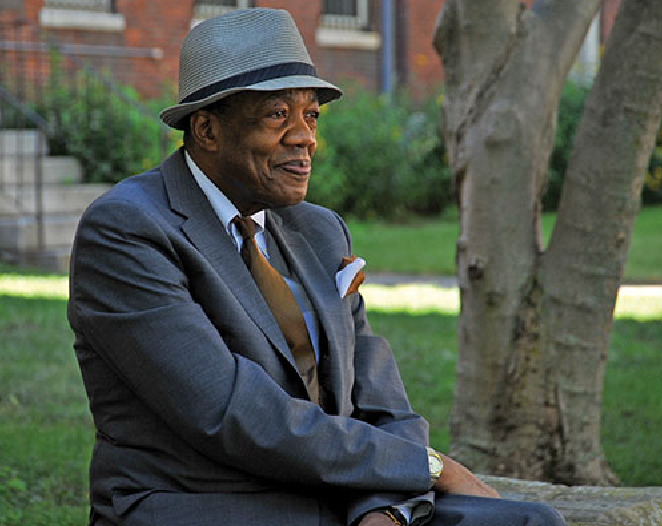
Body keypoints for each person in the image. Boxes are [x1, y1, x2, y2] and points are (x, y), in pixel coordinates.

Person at [68, 8, 566, 526]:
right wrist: (429, 469)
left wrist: (388, 507)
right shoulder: (127, 231)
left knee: (531, 522)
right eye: (278, 115)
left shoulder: (319, 230)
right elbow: (230, 413)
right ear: (207, 128)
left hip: (341, 492)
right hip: (200, 500)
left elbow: (378, 397)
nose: (306, 138)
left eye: (312, 116)